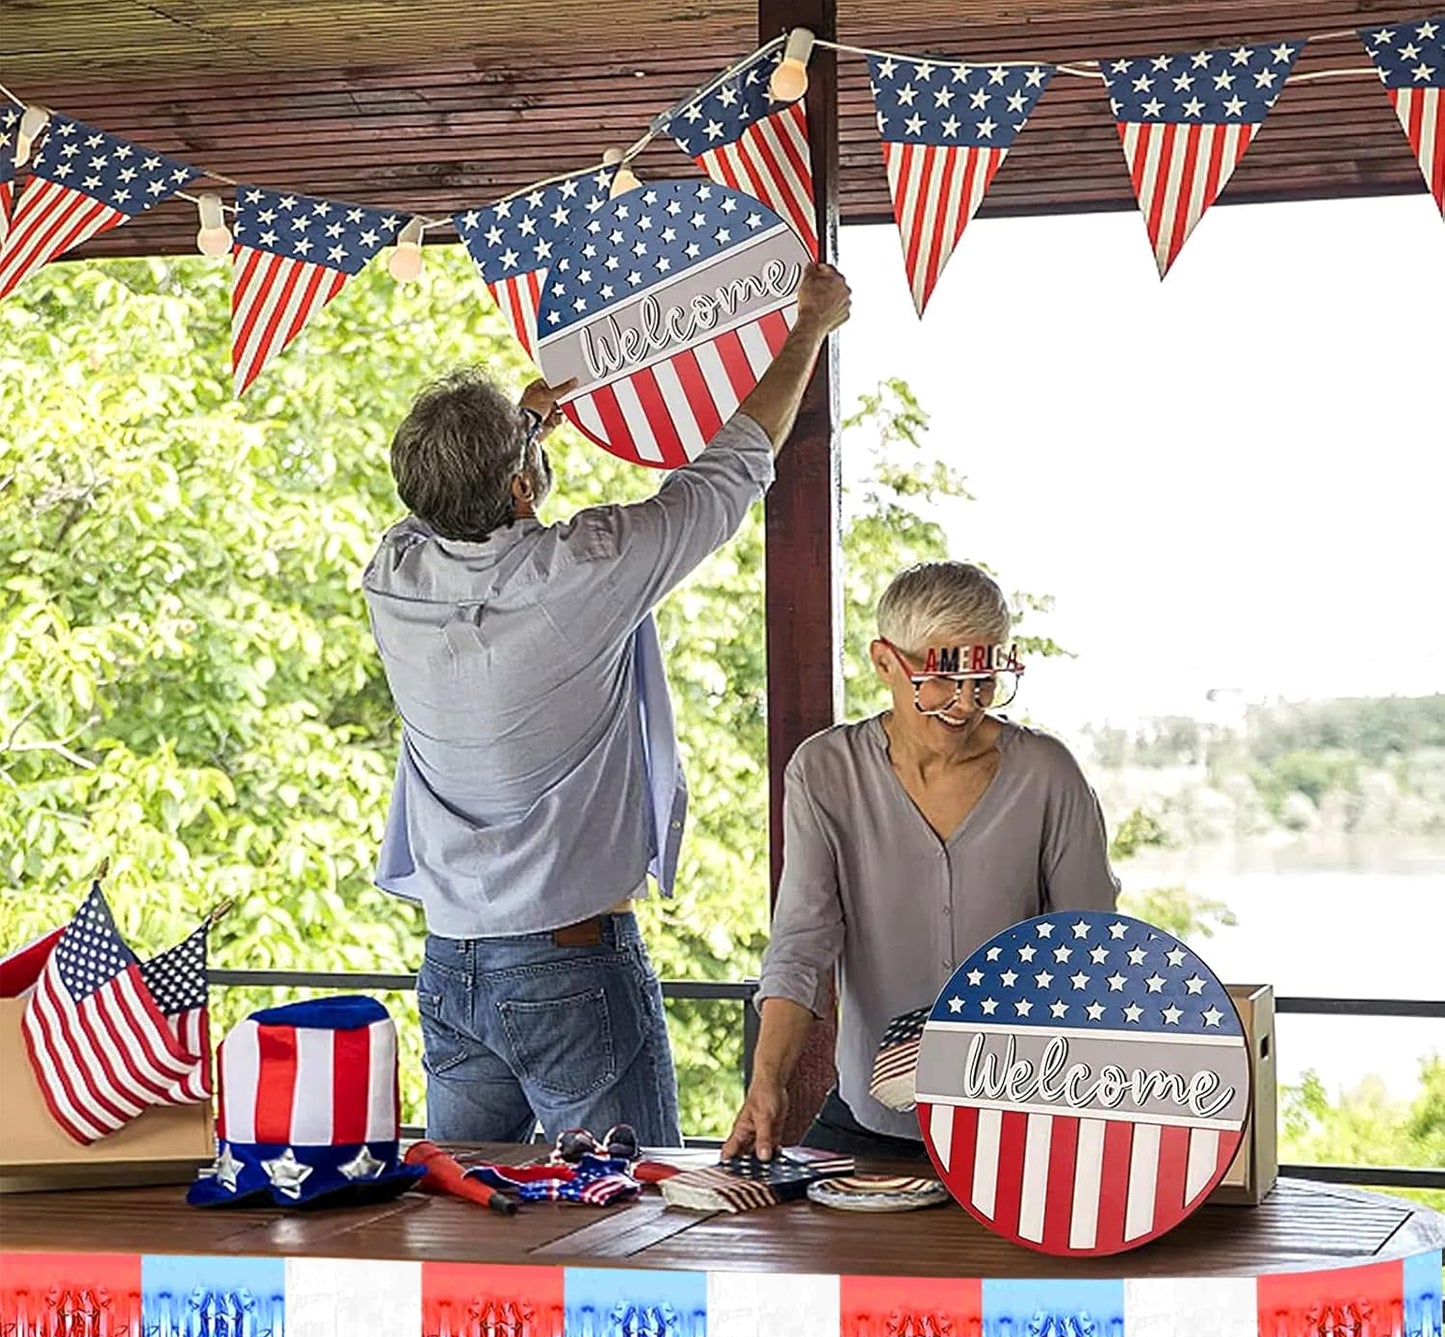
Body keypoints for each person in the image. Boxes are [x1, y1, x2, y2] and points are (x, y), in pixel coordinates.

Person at [363, 263, 852, 1147]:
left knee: (471, 1220)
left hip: (447, 964)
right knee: (627, 1217)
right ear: (521, 489)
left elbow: (444, 508)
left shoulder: (393, 577)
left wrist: (527, 427)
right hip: (569, 963)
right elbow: (731, 468)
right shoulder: (585, 567)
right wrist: (808, 328)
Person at [723, 560, 1119, 1163]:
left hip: (1019, 1123)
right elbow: (802, 942)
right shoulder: (826, 772)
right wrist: (767, 1080)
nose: (964, 705)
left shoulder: (1047, 774)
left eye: (983, 679)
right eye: (941, 680)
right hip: (869, 1118)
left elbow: (1092, 946)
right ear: (886, 662)